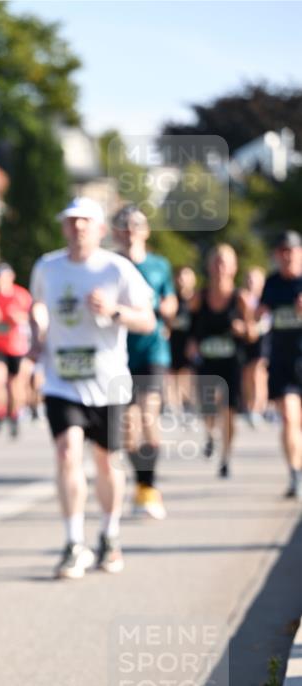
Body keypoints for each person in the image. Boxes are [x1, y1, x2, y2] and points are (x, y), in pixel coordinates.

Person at [29, 196, 156, 578]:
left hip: (109, 385)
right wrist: (38, 331)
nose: (77, 227)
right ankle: (73, 543)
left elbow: (147, 321)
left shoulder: (117, 269)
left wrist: (114, 311)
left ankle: (110, 534)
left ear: (101, 229)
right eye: (71, 221)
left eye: (85, 221)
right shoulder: (47, 267)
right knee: (67, 452)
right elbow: (37, 305)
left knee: (106, 462)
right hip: (61, 382)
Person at [111, 204, 177, 521]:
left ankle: (150, 487)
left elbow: (171, 299)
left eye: (136, 225)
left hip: (153, 351)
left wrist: (167, 307)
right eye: (123, 225)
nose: (130, 230)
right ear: (115, 232)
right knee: (127, 427)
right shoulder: (109, 265)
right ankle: (142, 485)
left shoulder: (159, 265)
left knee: (148, 414)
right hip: (119, 354)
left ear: (146, 231)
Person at [187, 244, 255, 478]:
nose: (219, 267)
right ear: (208, 267)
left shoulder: (240, 299)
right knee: (208, 409)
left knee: (228, 411)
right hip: (207, 362)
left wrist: (243, 328)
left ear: (234, 268)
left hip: (231, 362)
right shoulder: (200, 297)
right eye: (216, 262)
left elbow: (252, 332)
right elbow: (191, 326)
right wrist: (191, 342)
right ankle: (210, 434)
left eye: (224, 262)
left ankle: (226, 458)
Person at [257, 231, 302, 498]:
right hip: (282, 361)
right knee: (288, 417)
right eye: (282, 250)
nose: (286, 255)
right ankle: (294, 473)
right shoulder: (272, 284)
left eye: (292, 250)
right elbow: (260, 317)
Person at [0, 263, 32, 437]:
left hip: (16, 346)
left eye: (3, 277)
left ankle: (15, 415)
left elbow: (31, 317)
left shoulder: (21, 295)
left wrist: (18, 317)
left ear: (11, 277)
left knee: (15, 385)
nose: (0, 281)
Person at [240, 266, 268, 427]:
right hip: (245, 340)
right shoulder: (241, 297)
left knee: (258, 372)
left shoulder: (265, 299)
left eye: (254, 279)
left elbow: (266, 320)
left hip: (262, 339)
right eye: (249, 278)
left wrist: (254, 328)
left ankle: (259, 408)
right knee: (247, 374)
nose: (251, 282)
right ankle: (248, 405)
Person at [167, 265, 197, 417]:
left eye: (186, 276)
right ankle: (173, 404)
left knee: (186, 373)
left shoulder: (195, 300)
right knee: (171, 373)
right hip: (174, 341)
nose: (182, 280)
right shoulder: (172, 299)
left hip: (189, 342)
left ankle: (186, 403)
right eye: (179, 276)